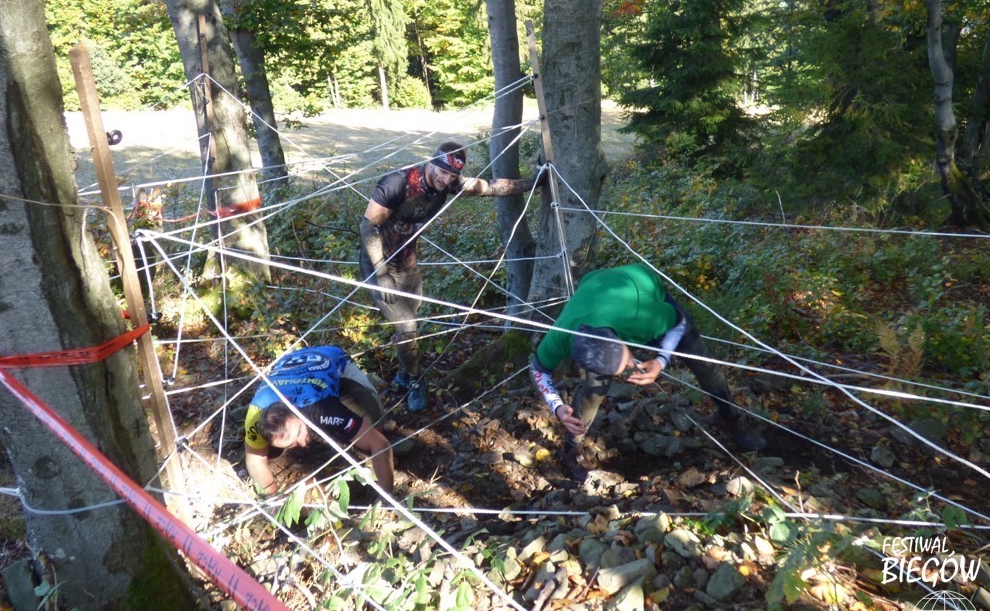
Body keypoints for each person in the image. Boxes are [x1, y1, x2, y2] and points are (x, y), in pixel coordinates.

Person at [529, 263, 767, 483]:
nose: (628, 370)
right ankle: (573, 446)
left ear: (623, 341)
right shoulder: (561, 335)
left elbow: (680, 322)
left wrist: (661, 360)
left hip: (641, 284)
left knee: (704, 364)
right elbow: (538, 369)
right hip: (594, 289)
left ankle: (730, 418)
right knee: (596, 384)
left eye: (626, 362)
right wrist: (556, 406)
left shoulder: (643, 318)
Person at [360, 141, 542, 411]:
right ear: (431, 163)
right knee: (407, 326)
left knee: (410, 326)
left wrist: (534, 182)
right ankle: (416, 381)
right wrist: (381, 272)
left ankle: (403, 375)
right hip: (378, 267)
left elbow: (490, 187)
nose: (445, 179)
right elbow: (368, 227)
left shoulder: (449, 183)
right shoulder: (397, 183)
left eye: (452, 175)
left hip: (407, 263)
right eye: (442, 172)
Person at [244, 346, 394, 495]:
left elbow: (380, 443)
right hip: (289, 366)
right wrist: (273, 497)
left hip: (333, 359)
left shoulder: (322, 407)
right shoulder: (254, 417)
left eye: (299, 432)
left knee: (373, 425)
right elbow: (254, 460)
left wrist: (385, 495)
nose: (303, 444)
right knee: (269, 452)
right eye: (291, 444)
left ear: (296, 411)